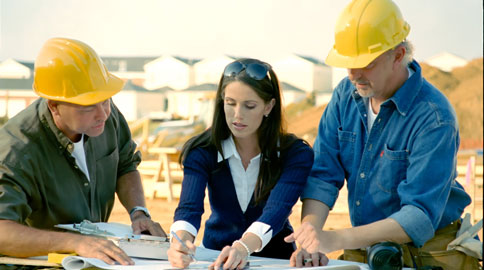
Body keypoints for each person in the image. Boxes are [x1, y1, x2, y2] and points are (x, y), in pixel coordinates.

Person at [284, 0, 481, 269]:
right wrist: (310, 236)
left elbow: (418, 215)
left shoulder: (434, 117)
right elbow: (323, 175)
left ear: (398, 55)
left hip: (429, 253)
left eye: (365, 63)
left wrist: (334, 239)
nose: (353, 74)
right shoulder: (345, 94)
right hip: (364, 246)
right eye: (347, 64)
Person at [0, 38, 166, 265]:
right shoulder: (15, 151)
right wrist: (75, 243)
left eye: (106, 100)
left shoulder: (105, 113)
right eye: (88, 106)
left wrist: (138, 212)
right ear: (54, 105)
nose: (103, 114)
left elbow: (126, 165)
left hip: (93, 262)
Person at [167, 58, 318, 269]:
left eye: (249, 106)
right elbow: (189, 209)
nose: (238, 115)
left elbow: (277, 210)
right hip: (214, 258)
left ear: (269, 106)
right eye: (230, 103)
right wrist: (179, 243)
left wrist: (242, 247)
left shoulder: (295, 153)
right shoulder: (201, 151)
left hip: (276, 262)